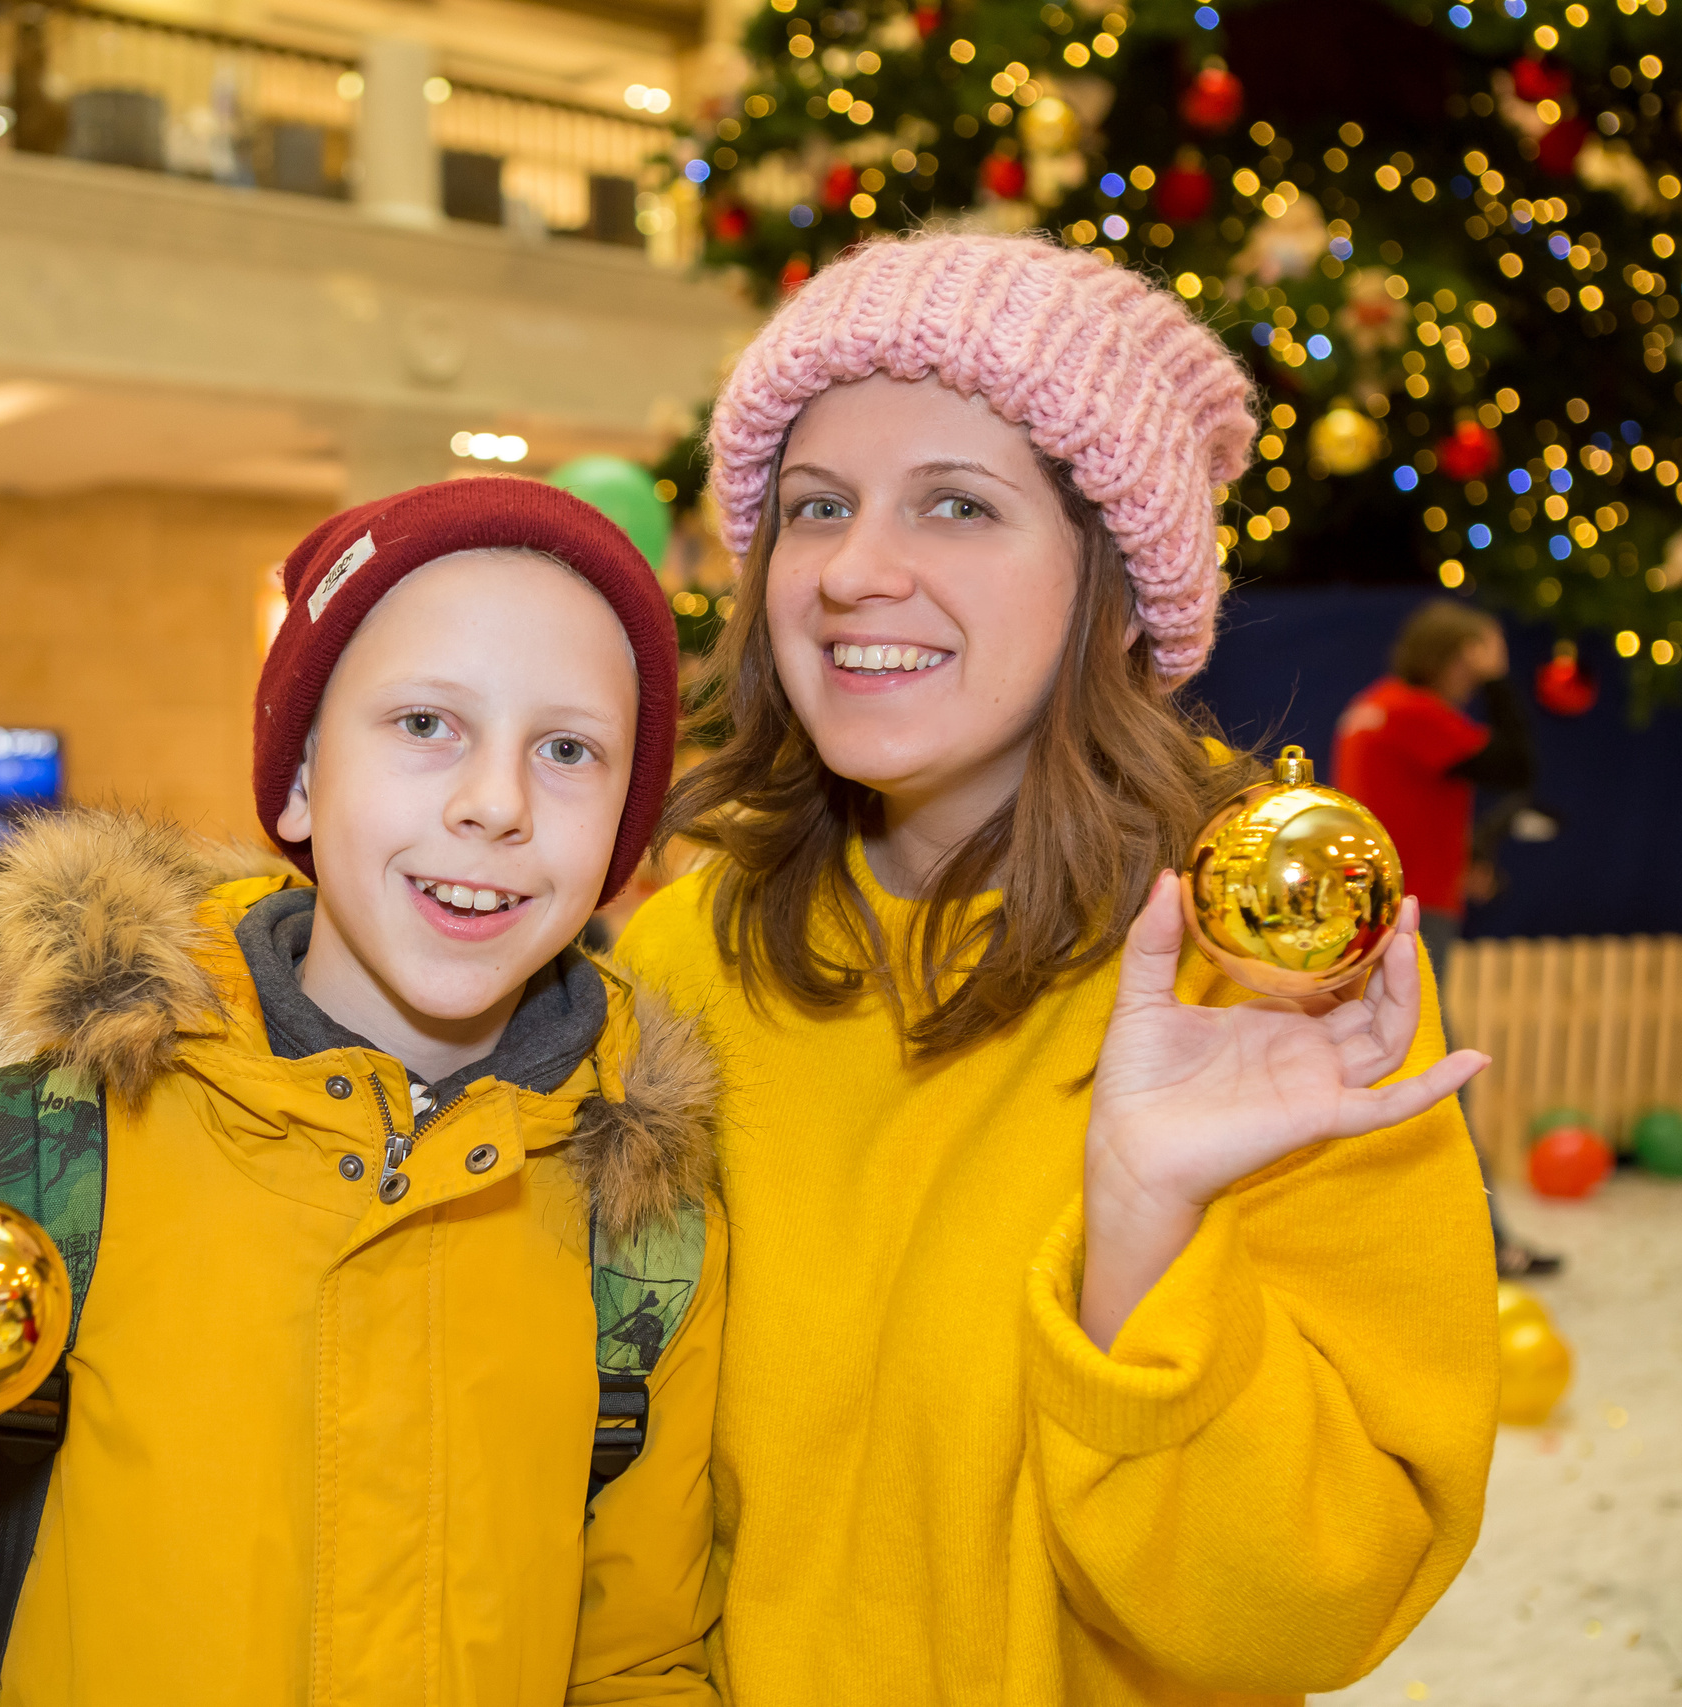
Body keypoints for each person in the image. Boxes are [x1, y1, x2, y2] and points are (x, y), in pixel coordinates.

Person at [0, 481, 728, 1706]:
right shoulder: (48, 1157)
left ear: (625, 842)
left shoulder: (644, 1228)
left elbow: (637, 1659)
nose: (496, 802)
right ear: (302, 780)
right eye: (425, 723)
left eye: (568, 749)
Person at [614, 232, 1497, 1704]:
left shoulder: (1269, 975)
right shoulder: (680, 956)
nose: (854, 570)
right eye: (815, 507)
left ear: (1116, 573)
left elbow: (1308, 1612)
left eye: (958, 504)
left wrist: (1147, 1227)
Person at [1335, 597, 1559, 1277]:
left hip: (1375, 909)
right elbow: (1517, 766)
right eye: (1475, 658)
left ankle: (1403, 1238)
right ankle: (1486, 1241)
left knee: (1397, 1069)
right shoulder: (1414, 712)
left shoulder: (1375, 706)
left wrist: (1462, 861)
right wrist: (1499, 681)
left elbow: (1404, 802)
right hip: (1411, 918)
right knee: (1438, 1074)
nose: (1477, 675)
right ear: (1454, 655)